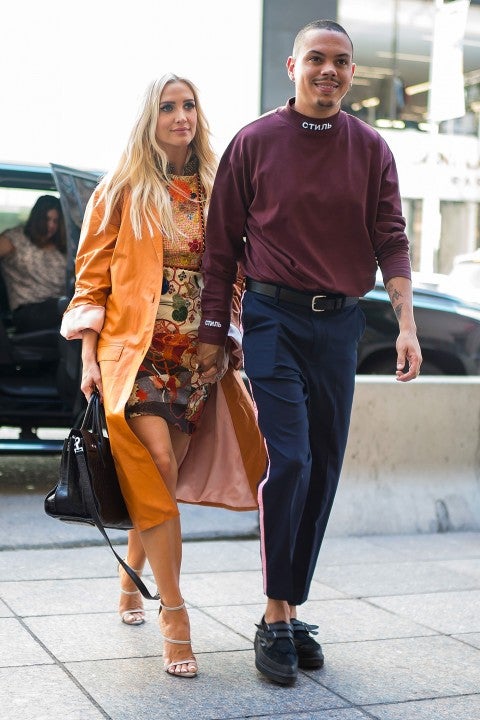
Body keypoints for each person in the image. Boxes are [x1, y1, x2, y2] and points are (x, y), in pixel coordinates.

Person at [197, 19, 422, 686]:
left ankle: (292, 609)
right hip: (273, 318)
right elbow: (220, 248)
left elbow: (391, 238)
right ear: (293, 67)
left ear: (353, 72)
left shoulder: (371, 148)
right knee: (290, 459)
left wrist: (406, 326)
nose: (330, 70)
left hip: (341, 324)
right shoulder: (254, 142)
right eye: (317, 58)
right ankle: (274, 615)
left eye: (342, 61)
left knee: (322, 467)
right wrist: (213, 334)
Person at [60, 74, 266, 678]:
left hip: (195, 358)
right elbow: (91, 281)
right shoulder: (121, 189)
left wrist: (226, 339)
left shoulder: (219, 189)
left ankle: (130, 578)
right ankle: (174, 614)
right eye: (168, 106)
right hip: (134, 352)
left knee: (161, 476)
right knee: (154, 460)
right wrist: (88, 358)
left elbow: (235, 276)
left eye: (189, 105)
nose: (182, 116)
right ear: (149, 119)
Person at [0, 195, 66, 332]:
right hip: (29, 310)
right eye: (47, 219)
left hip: (60, 304)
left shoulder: (61, 247)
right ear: (37, 218)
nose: (51, 225)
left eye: (56, 221)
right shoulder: (15, 239)